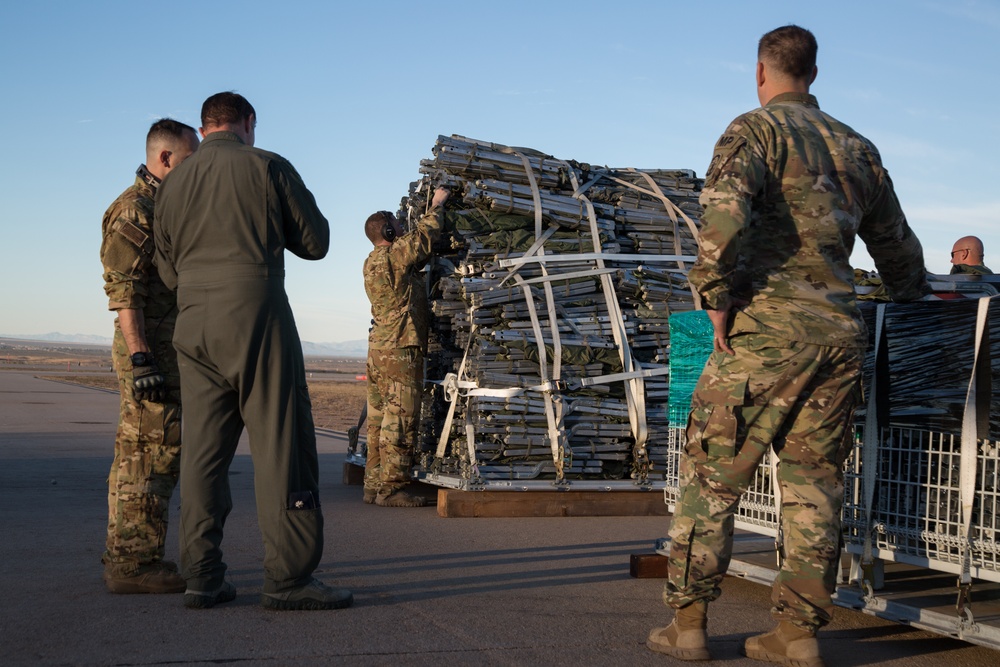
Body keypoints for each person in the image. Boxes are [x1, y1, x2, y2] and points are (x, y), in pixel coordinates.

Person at [647, 26, 929, 665]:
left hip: (761, 337)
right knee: (814, 489)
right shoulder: (859, 148)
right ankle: (798, 635)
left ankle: (689, 625)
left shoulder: (753, 131)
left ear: (760, 72)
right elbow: (897, 248)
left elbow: (722, 216)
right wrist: (911, 293)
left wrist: (714, 298)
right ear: (814, 74)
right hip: (836, 340)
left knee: (711, 479)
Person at [153, 92, 351, 611]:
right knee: (282, 446)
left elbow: (167, 268)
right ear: (248, 123)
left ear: (204, 127)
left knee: (202, 454)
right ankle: (287, 578)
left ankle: (201, 575)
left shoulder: (171, 185)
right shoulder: (267, 165)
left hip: (193, 322)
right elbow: (316, 242)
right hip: (257, 316)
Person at [100, 119, 199, 594]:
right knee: (148, 457)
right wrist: (141, 360)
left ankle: (129, 554)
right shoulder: (136, 210)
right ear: (165, 160)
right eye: (190, 161)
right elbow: (124, 291)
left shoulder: (162, 207)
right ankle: (134, 565)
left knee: (146, 453)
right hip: (150, 353)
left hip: (162, 349)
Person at [362, 188, 450, 507]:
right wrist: (437, 203)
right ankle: (393, 488)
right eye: (396, 224)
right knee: (400, 419)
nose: (401, 226)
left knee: (378, 421)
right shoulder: (394, 256)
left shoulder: (372, 262)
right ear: (387, 232)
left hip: (378, 351)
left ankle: (373, 485)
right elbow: (424, 237)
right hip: (401, 349)